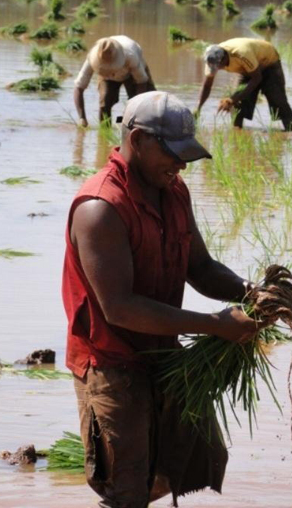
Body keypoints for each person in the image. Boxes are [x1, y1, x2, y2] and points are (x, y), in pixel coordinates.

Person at [62, 90, 263, 508]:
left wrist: (254, 294)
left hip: (163, 354)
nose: (181, 164)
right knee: (125, 488)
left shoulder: (173, 190)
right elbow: (119, 307)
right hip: (111, 362)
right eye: (172, 153)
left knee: (194, 459)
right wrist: (215, 325)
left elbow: (201, 268)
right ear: (137, 141)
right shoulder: (100, 208)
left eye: (186, 155)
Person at [196, 37, 292, 130]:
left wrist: (232, 99)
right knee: (238, 105)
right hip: (247, 69)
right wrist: (198, 108)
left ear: (224, 58)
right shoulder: (212, 61)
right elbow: (207, 85)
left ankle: (290, 131)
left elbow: (257, 78)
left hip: (268, 63)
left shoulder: (241, 53)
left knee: (277, 98)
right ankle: (238, 132)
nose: (217, 69)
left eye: (219, 66)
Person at [73, 35, 155, 127]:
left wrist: (136, 108)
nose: (110, 74)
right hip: (107, 78)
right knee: (105, 103)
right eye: (105, 71)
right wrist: (82, 118)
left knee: (149, 102)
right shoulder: (92, 58)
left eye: (111, 70)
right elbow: (78, 88)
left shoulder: (130, 56)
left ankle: (138, 128)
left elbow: (141, 82)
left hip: (132, 74)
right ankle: (104, 131)